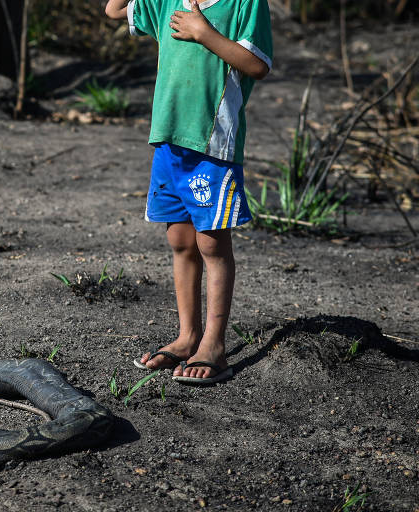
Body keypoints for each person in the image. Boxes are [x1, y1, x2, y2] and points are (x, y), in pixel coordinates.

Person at [104, 0, 273, 384]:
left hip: (212, 147)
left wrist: (204, 33)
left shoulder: (246, 3)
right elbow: (115, 11)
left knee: (212, 244)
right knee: (181, 241)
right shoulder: (164, 2)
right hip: (168, 141)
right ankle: (187, 336)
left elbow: (257, 65)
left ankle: (214, 344)